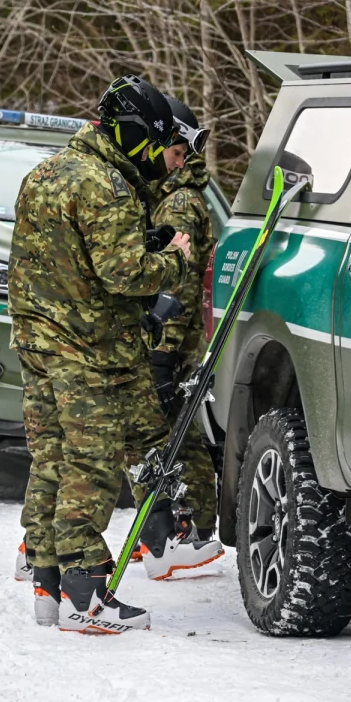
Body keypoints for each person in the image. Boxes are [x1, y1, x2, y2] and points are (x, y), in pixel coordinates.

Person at [9, 75, 194, 634]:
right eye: (161, 144)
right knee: (90, 465)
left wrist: (146, 240)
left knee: (51, 460)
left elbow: (68, 255)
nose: (164, 157)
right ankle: (85, 591)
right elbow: (124, 273)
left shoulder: (45, 173)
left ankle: (45, 581)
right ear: (139, 136)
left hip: (38, 343)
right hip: (84, 348)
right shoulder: (106, 184)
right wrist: (178, 261)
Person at [137, 94, 226, 580]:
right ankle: (167, 529)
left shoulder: (178, 202)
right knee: (167, 430)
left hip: (179, 341)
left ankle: (190, 531)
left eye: (174, 151)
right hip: (176, 339)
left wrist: (165, 352)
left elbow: (179, 282)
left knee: (178, 432)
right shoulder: (169, 195)